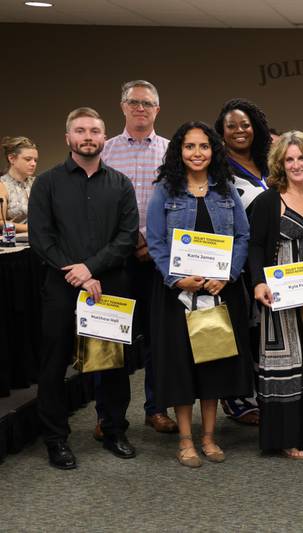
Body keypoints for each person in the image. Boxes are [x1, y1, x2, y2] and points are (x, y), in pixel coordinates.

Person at [28, 107, 139, 469]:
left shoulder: (120, 183)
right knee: (55, 364)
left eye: (94, 130)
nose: (88, 136)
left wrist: (91, 268)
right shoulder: (47, 183)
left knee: (112, 364)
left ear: (103, 137)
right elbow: (42, 239)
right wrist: (78, 273)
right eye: (80, 130)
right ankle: (56, 439)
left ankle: (113, 430)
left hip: (110, 285)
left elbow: (126, 238)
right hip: (61, 286)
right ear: (68, 138)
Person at [146, 121, 252, 468]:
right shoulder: (165, 190)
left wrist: (229, 274)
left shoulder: (226, 189)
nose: (196, 153)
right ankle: (186, 440)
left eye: (203, 146)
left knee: (213, 366)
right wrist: (177, 279)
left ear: (213, 151)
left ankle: (208, 437)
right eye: (189, 146)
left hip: (219, 293)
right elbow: (157, 243)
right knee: (182, 369)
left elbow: (243, 237)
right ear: (179, 151)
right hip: (179, 296)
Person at [248, 131, 303, 459]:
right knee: (288, 365)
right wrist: (258, 282)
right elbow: (255, 246)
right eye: (289, 159)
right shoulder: (269, 200)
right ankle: (287, 437)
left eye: (301, 158)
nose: (296, 164)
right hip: (281, 297)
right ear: (280, 164)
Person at [98, 79, 177, 437]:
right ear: (123, 106)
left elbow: (180, 205)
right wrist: (126, 242)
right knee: (111, 337)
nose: (140, 108)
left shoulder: (172, 152)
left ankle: (156, 408)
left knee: (158, 338)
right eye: (134, 102)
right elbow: (96, 207)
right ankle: (107, 414)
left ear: (157, 109)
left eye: (147, 103)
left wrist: (154, 243)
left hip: (160, 259)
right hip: (114, 259)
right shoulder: (105, 150)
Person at [214, 98, 272, 426]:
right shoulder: (219, 170)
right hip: (236, 261)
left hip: (270, 257)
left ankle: (264, 392)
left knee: (265, 329)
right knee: (240, 327)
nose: (240, 131)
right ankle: (236, 398)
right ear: (221, 132)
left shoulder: (268, 163)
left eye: (245, 124)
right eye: (232, 126)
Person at [0, 136, 38, 233]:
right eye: (28, 159)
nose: (33, 164)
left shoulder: (37, 183)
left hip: (38, 239)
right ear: (12, 158)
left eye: (35, 160)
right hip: (12, 242)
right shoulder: (2, 186)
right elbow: (0, 222)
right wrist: (31, 229)